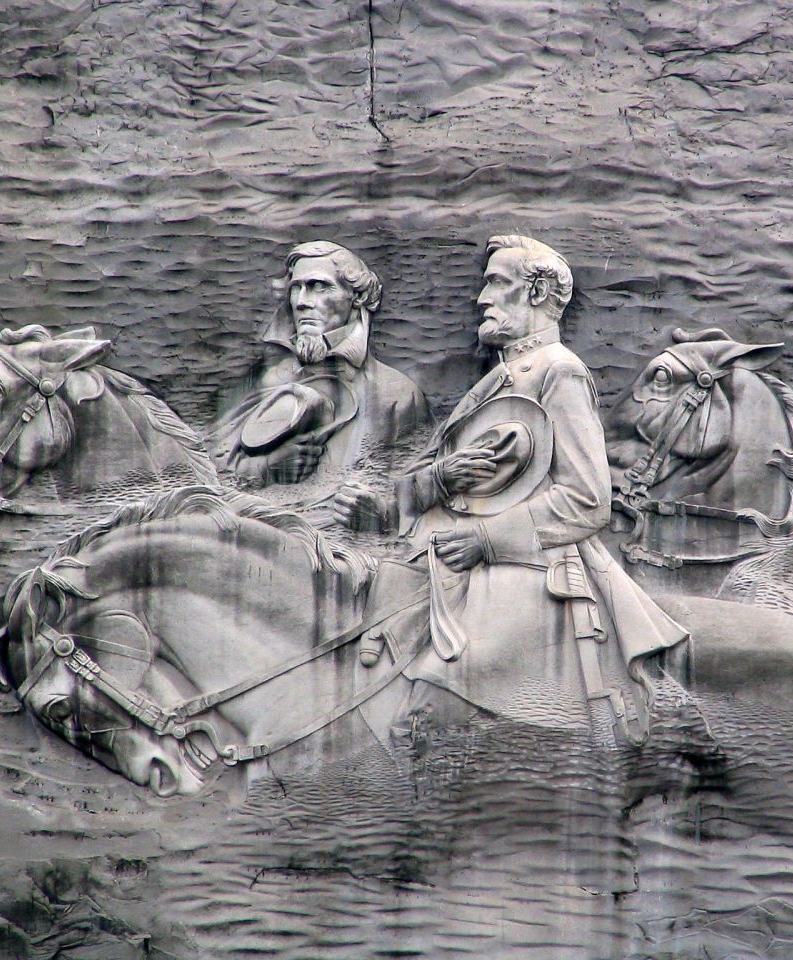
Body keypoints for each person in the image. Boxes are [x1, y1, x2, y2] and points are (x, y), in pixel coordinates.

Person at [334, 235, 687, 739]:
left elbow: (587, 500)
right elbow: (454, 476)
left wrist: (485, 540)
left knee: (427, 713)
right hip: (445, 556)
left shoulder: (558, 371)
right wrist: (389, 503)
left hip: (527, 565)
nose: (482, 298)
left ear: (539, 293)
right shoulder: (500, 378)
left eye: (497, 283)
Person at [211, 241, 431, 487]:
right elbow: (210, 470)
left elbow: (417, 485)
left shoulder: (397, 395)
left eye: (318, 286)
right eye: (296, 288)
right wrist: (267, 467)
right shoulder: (267, 380)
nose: (302, 302)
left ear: (357, 296)